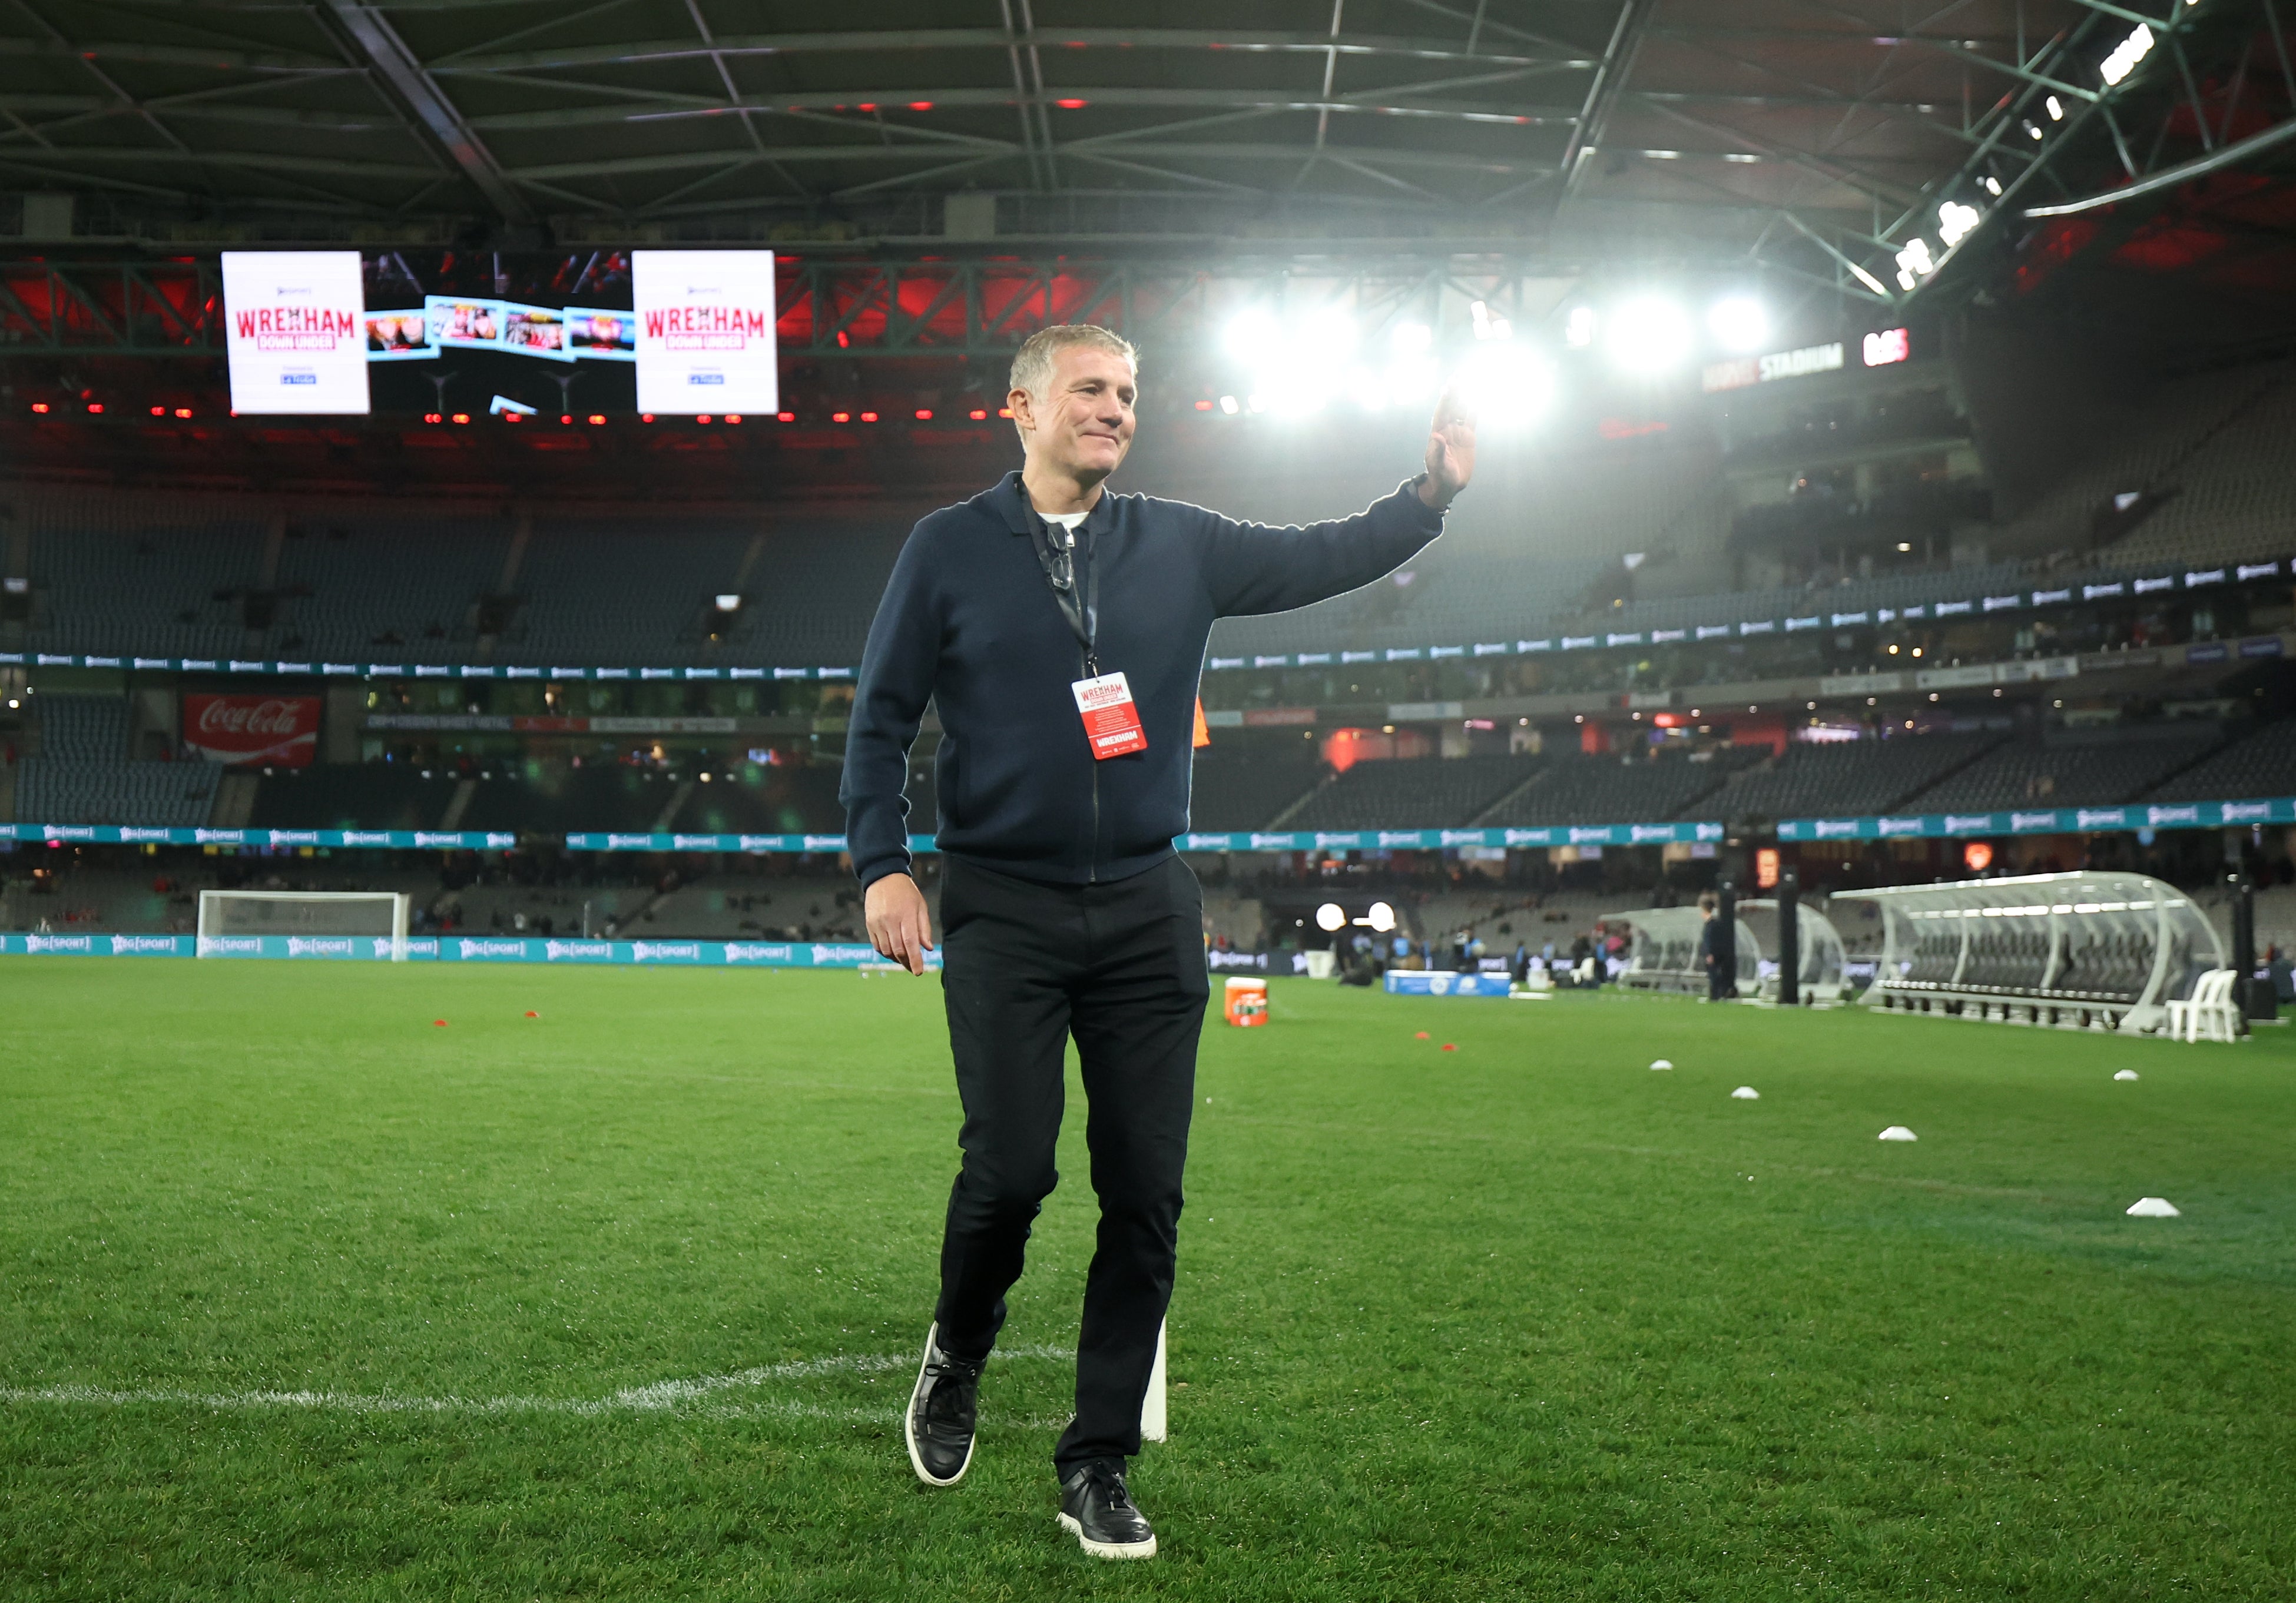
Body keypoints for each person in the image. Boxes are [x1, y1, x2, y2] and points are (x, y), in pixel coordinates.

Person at [843, 322, 1473, 1560]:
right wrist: (882, 864)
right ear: (1018, 405)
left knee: (1145, 1195)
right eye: (1088, 388)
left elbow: (1318, 555)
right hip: (1003, 905)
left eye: (1128, 394)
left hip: (1143, 904)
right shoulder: (946, 549)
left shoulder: (1178, 540)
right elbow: (877, 722)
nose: (1113, 409)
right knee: (1011, 1170)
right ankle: (955, 1350)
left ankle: (1095, 1459)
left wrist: (1427, 497)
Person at [1698, 891, 1734, 1001]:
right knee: (1715, 974)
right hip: (1717, 953)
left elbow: (1710, 941)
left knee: (1714, 975)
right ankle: (1720, 993)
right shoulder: (1715, 923)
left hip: (1713, 954)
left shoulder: (1711, 925)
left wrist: (1710, 954)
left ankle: (1716, 995)